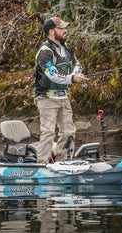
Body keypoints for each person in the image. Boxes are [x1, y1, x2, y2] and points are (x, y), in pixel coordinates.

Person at [33, 17, 88, 164]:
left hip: (63, 97)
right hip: (46, 98)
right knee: (49, 132)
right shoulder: (45, 52)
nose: (65, 31)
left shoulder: (67, 48)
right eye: (61, 28)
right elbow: (52, 74)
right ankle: (42, 164)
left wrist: (78, 74)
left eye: (65, 28)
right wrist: (72, 79)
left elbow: (77, 64)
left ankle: (64, 162)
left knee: (69, 131)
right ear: (52, 31)